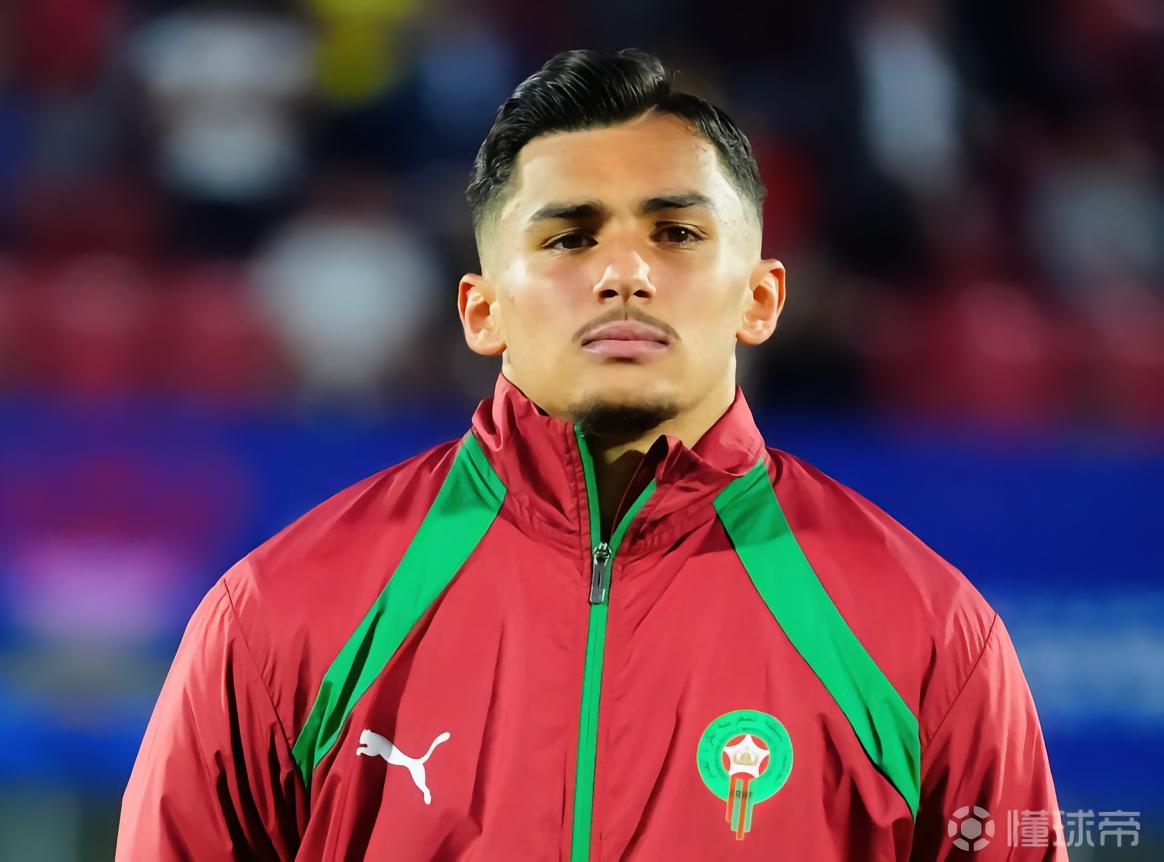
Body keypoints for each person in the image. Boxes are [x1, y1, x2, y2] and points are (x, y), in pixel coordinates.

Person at [116, 48, 1064, 861]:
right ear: (482, 310)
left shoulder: (926, 633)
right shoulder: (279, 614)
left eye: (677, 233)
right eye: (570, 236)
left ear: (761, 298)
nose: (624, 272)